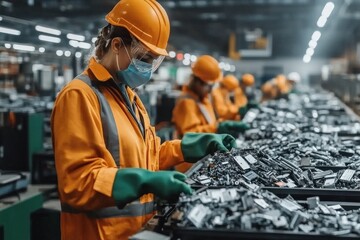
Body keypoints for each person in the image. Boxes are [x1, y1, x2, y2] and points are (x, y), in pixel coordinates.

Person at [51, 1, 236, 239]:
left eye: (153, 61)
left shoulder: (129, 96)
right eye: (144, 58)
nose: (148, 68)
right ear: (116, 45)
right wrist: (143, 181)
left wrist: (186, 148)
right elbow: (77, 184)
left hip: (137, 232)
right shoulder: (79, 96)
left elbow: (147, 156)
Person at [172, 55, 249, 172]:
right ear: (198, 82)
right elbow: (191, 135)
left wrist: (220, 125)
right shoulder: (187, 102)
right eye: (209, 86)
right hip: (189, 164)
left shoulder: (203, 100)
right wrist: (216, 128)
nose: (210, 90)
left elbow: (210, 122)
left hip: (203, 158)